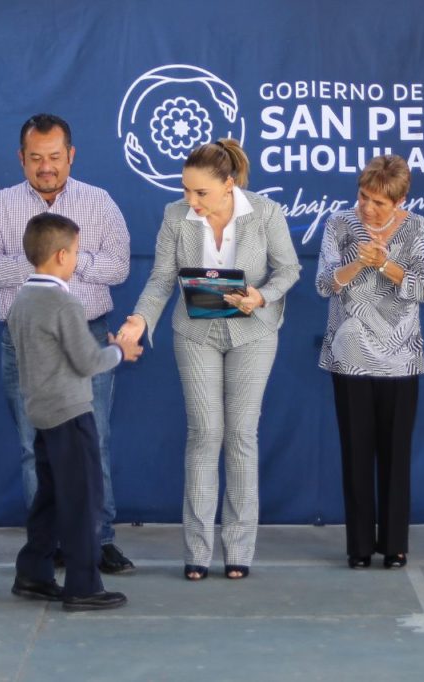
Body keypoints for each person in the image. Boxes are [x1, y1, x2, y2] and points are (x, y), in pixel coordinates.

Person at [118, 139, 300, 580]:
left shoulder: (266, 213)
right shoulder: (175, 216)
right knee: (204, 434)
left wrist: (262, 296)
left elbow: (289, 270)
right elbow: (162, 279)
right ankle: (197, 552)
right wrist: (140, 319)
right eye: (186, 190)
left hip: (253, 333)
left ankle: (239, 549)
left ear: (228, 184)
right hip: (195, 333)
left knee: (241, 436)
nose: (190, 201)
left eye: (200, 193)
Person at [0, 113, 135, 574]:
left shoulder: (98, 202)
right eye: (36, 158)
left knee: (95, 442)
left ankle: (99, 539)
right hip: (25, 343)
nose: (46, 167)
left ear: (71, 156)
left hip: (87, 333)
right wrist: (49, 262)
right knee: (33, 445)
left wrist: (69, 262)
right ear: (21, 158)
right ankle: (51, 543)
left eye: (55, 157)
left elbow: (118, 266)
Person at [8, 212, 141, 611]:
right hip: (70, 413)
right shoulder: (63, 302)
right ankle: (83, 584)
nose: (78, 259)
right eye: (78, 252)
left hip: (42, 413)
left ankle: (33, 571)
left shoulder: (22, 299)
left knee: (50, 496)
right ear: (62, 256)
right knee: (83, 499)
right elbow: (86, 363)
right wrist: (120, 350)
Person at [314, 155, 424, 569]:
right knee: (356, 453)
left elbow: (422, 289)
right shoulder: (339, 224)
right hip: (349, 357)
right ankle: (360, 545)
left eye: (379, 202)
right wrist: (357, 263)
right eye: (364, 196)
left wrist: (384, 264)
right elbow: (324, 283)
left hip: (401, 358)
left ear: (400, 201)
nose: (368, 207)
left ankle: (395, 543)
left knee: (396, 455)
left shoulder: (418, 227)